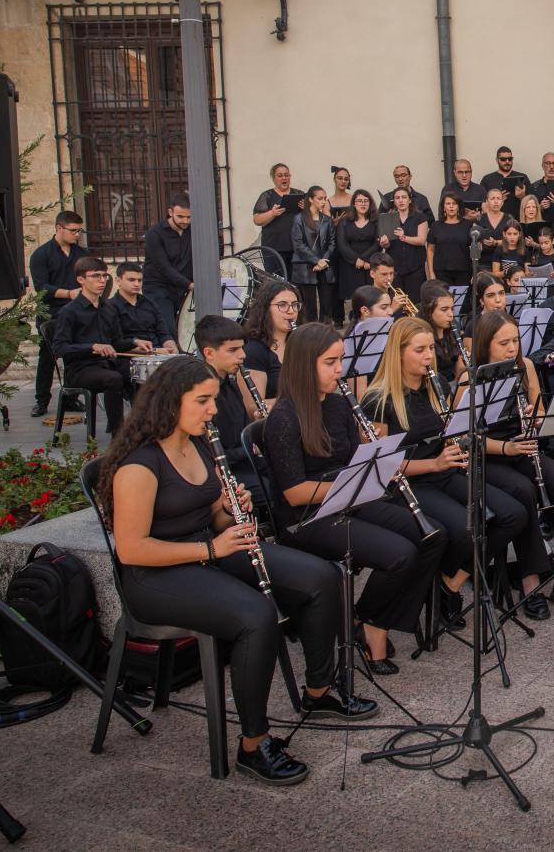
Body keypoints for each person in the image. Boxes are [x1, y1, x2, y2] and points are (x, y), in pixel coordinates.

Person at [99, 356, 376, 786]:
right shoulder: (139, 465)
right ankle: (253, 744)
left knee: (323, 577)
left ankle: (319, 691)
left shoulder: (195, 443)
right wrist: (211, 546)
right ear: (170, 402)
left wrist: (227, 510)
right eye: (203, 401)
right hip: (155, 577)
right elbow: (133, 549)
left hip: (206, 549)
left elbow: (207, 513)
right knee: (256, 617)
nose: (214, 410)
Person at [261, 323, 445, 675]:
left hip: (348, 498)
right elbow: (294, 492)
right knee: (400, 554)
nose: (339, 370)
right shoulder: (283, 418)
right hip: (307, 517)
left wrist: (373, 453)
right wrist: (353, 483)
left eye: (341, 360)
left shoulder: (337, 404)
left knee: (430, 536)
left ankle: (370, 618)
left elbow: (350, 459)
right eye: (330, 362)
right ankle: (372, 627)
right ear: (303, 365)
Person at [361, 318, 479, 626]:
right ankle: (436, 589)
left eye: (430, 348)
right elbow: (382, 467)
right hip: (409, 484)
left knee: (489, 516)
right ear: (398, 354)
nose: (429, 356)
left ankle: (447, 584)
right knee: (463, 529)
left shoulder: (436, 384)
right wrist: (435, 463)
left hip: (442, 471)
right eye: (420, 350)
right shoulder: (378, 400)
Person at [468, 308, 554, 611]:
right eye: (503, 342)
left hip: (523, 446)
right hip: (490, 455)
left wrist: (535, 422)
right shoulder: (471, 378)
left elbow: (538, 408)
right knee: (524, 492)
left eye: (515, 341)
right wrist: (507, 448)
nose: (512, 348)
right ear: (485, 344)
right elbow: (465, 438)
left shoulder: (526, 367)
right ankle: (529, 579)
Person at [52, 256, 141, 434]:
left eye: (104, 276)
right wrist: (92, 347)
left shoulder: (108, 309)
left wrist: (134, 343)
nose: (101, 281)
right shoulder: (69, 311)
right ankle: (118, 434)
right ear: (81, 280)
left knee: (138, 373)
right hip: (80, 370)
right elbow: (59, 348)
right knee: (114, 379)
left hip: (107, 364)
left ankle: (142, 429)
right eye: (95, 276)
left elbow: (116, 343)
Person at [29, 210, 89, 417]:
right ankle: (42, 401)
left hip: (77, 313)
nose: (77, 235)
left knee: (74, 356)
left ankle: (71, 398)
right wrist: (70, 294)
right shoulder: (41, 255)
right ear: (59, 228)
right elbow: (41, 288)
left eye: (79, 231)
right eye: (73, 231)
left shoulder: (82, 254)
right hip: (51, 314)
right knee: (47, 357)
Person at [194, 315, 261, 492]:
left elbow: (242, 430)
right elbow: (210, 453)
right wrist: (251, 449)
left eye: (242, 348)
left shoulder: (231, 384)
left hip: (245, 463)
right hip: (225, 473)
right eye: (233, 350)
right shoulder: (199, 395)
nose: (242, 355)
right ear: (209, 353)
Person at [240, 280, 299, 406]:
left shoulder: (301, 344)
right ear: (265, 309)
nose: (291, 311)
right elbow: (254, 408)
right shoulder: (254, 351)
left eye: (295, 305)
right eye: (282, 305)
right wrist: (302, 400)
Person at [142, 193, 192, 328]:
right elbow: (163, 267)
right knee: (168, 328)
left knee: (186, 328)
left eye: (189, 217)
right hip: (159, 288)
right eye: (180, 216)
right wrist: (189, 284)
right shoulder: (154, 234)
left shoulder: (193, 230)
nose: (185, 221)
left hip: (183, 288)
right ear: (170, 212)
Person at [106, 262, 177, 357]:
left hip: (159, 353)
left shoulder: (150, 303)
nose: (136, 284)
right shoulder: (110, 306)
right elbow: (116, 344)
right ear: (118, 280)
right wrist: (153, 351)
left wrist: (172, 348)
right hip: (130, 358)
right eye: (131, 280)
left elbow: (163, 333)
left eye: (139, 280)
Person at [289, 187, 337, 326]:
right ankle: (310, 336)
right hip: (305, 266)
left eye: (324, 198)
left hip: (325, 266)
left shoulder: (327, 220)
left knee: (326, 305)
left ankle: (325, 334)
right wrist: (316, 260)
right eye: (320, 198)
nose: (323, 202)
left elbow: (332, 243)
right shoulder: (299, 219)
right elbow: (298, 244)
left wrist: (323, 261)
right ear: (310, 199)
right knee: (308, 307)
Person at [251, 163, 304, 278]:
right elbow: (257, 219)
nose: (284, 178)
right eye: (280, 175)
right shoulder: (267, 196)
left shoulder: (299, 194)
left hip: (296, 247)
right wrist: (272, 213)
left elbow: (312, 218)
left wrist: (306, 209)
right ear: (273, 178)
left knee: (296, 283)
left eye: (286, 175)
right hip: (273, 248)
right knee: (276, 281)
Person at [335, 190, 381, 320]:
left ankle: (370, 319)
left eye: (366, 201)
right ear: (353, 204)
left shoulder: (376, 221)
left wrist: (366, 261)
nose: (363, 203)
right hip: (350, 264)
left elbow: (377, 243)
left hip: (369, 265)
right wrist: (356, 260)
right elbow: (341, 244)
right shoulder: (344, 221)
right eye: (359, 201)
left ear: (370, 203)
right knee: (354, 297)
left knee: (370, 295)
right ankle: (355, 320)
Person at [379, 186, 429, 303]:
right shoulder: (388, 218)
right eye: (397, 198)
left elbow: (422, 240)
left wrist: (404, 237)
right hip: (395, 269)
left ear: (409, 200)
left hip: (415, 267)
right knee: (397, 303)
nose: (401, 200)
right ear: (394, 201)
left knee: (416, 303)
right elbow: (387, 245)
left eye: (403, 197)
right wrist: (384, 243)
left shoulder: (419, 217)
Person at [425, 190, 477, 288]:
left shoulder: (468, 225)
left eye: (454, 203)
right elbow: (430, 249)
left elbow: (475, 250)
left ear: (458, 207)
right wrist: (431, 273)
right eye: (448, 204)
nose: (451, 206)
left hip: (464, 271)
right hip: (441, 271)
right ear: (443, 207)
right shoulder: (436, 225)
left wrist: (474, 272)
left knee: (463, 302)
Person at [480, 146, 530, 219]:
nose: (507, 162)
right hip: (495, 222)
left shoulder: (522, 177)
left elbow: (532, 204)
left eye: (510, 159)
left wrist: (522, 197)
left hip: (518, 222)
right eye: (503, 159)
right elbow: (483, 205)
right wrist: (497, 199)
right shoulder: (487, 179)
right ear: (497, 160)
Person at [530, 151, 554, 220]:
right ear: (542, 166)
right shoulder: (534, 187)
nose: (551, 167)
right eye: (548, 163)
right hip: (541, 227)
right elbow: (527, 212)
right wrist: (540, 208)